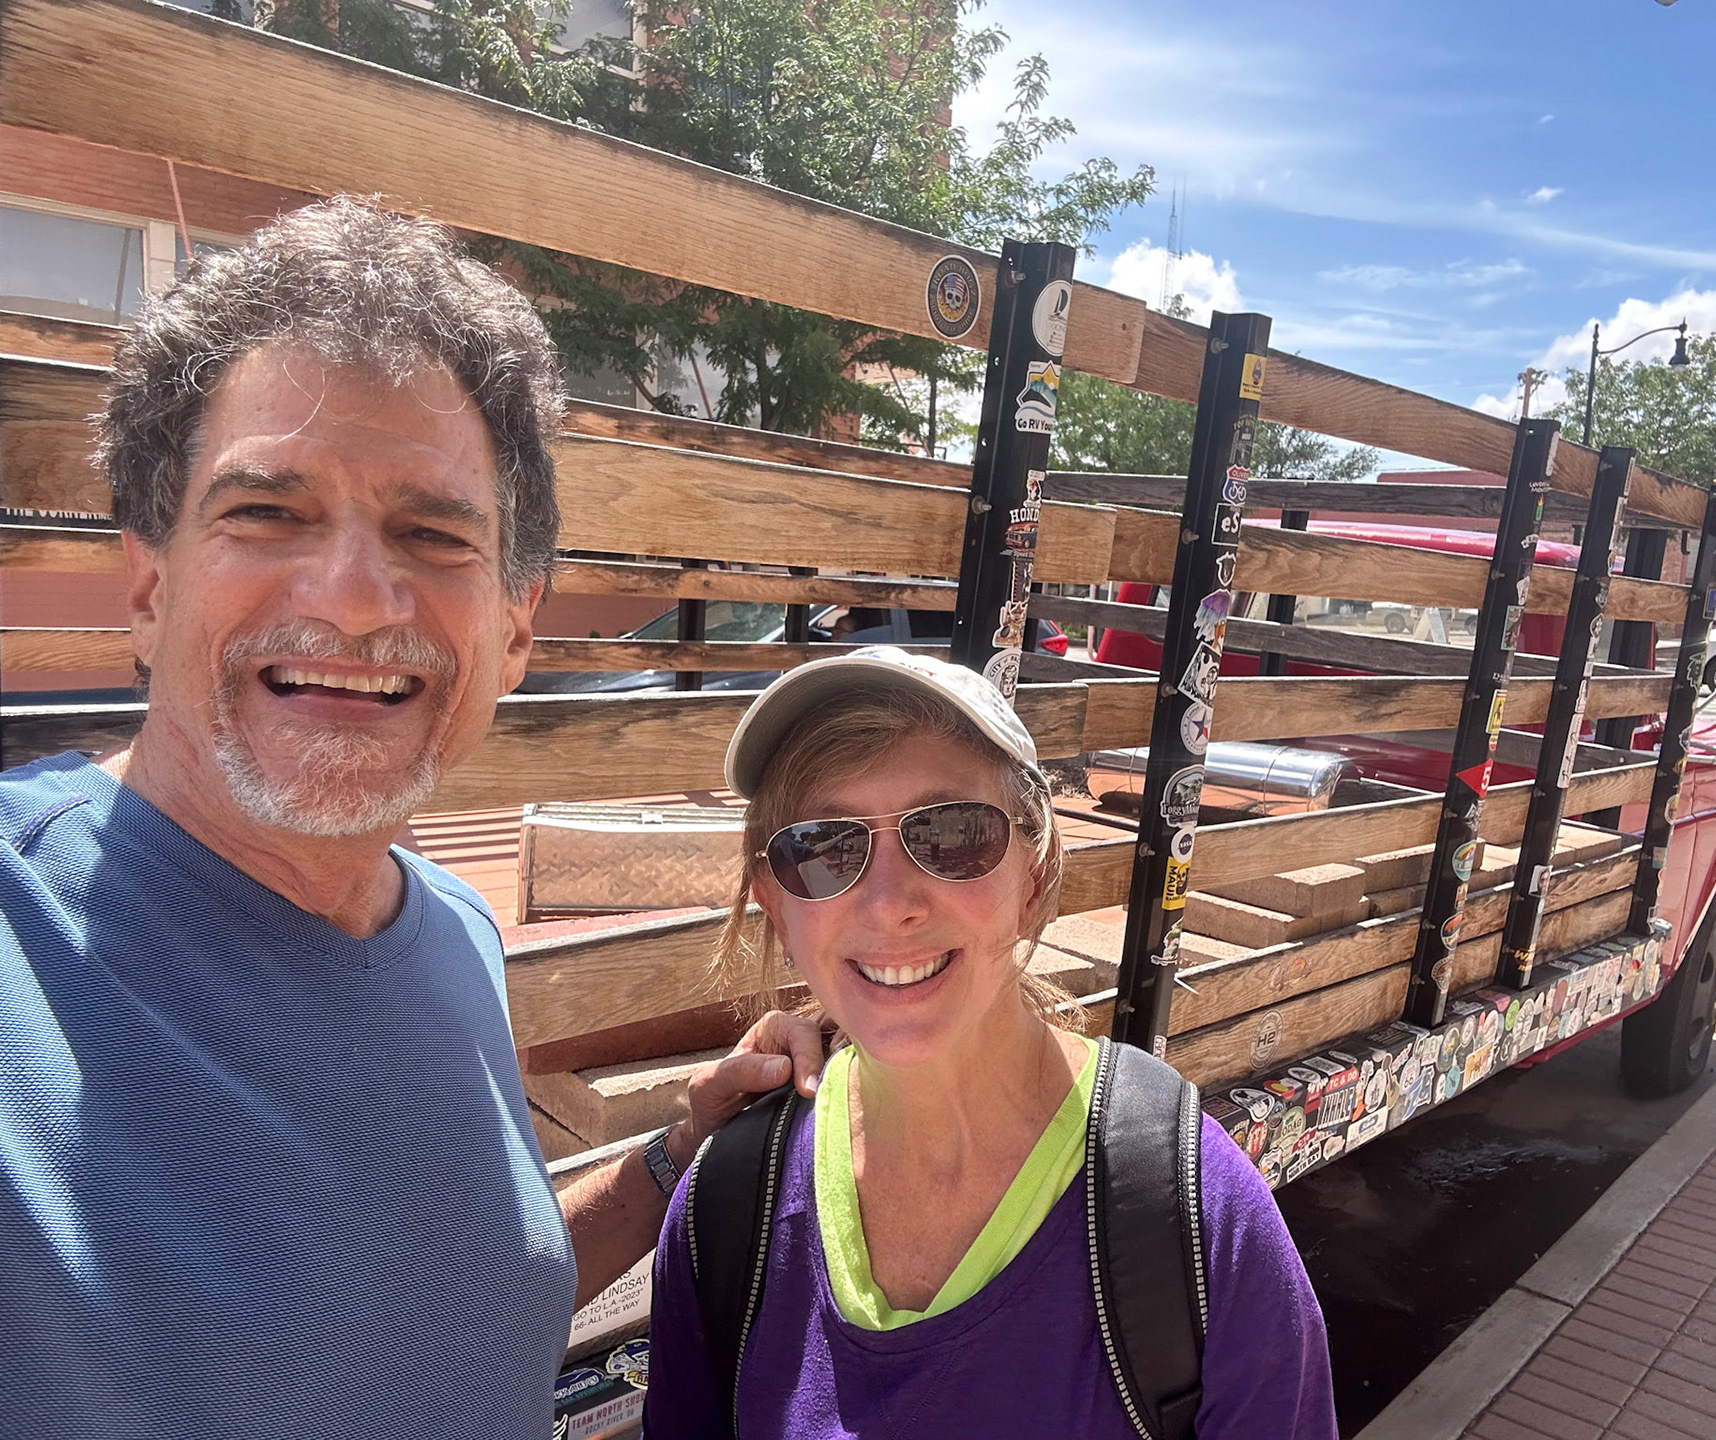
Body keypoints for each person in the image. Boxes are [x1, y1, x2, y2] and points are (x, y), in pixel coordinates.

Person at [0, 197, 813, 1440]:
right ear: (150, 586)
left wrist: (671, 1158)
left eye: (433, 535)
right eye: (266, 512)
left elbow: (442, 1316)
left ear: (517, 630)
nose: (356, 598)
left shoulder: (449, 932)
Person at [645, 647, 1338, 1438]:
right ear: (776, 903)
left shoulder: (1197, 1222)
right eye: (824, 848)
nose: (888, 905)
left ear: (1035, 873)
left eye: (948, 834)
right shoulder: (727, 1209)